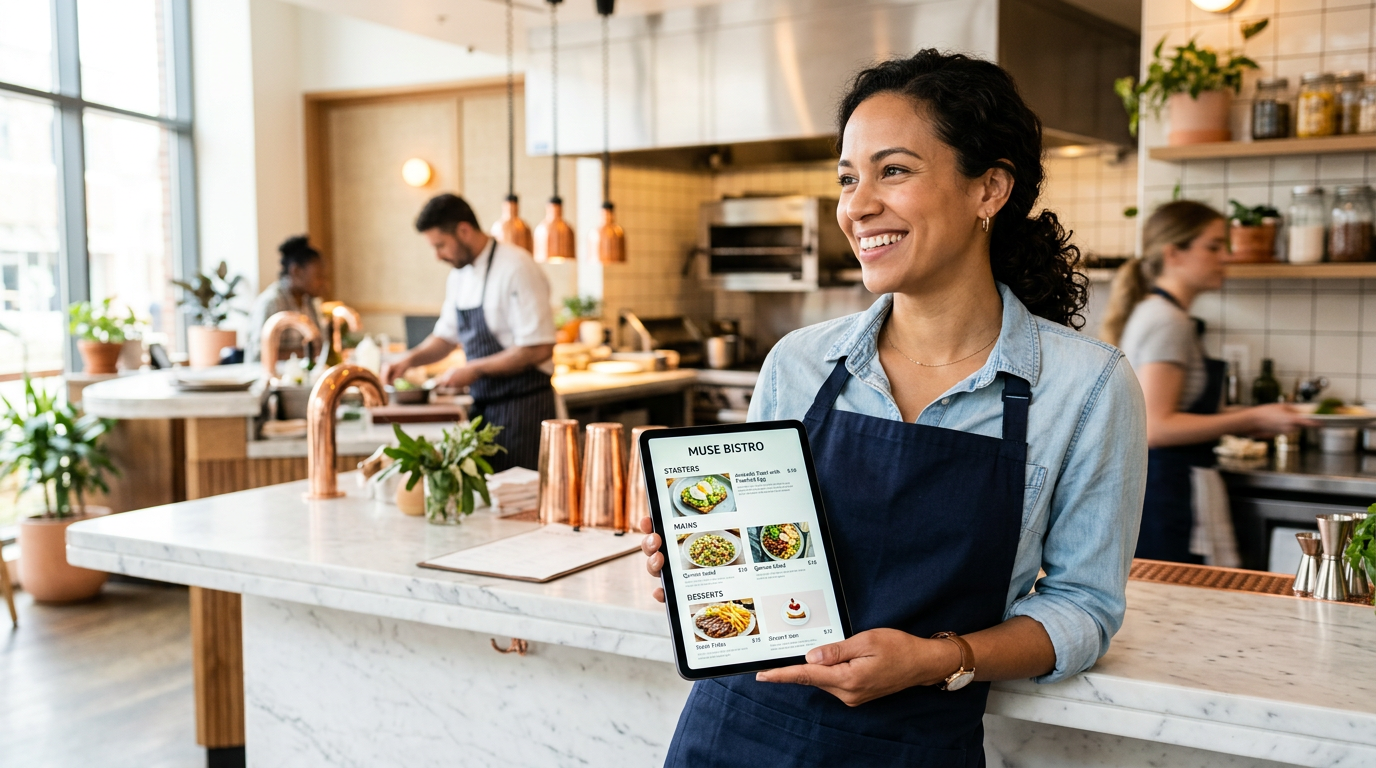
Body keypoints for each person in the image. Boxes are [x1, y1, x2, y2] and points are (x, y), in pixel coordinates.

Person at [638, 50, 1147, 766]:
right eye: (848, 177)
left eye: (894, 170)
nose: (857, 204)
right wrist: (696, 567)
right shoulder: (801, 362)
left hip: (912, 746)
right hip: (735, 730)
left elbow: (1083, 608)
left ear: (989, 190)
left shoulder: (1086, 386)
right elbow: (757, 574)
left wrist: (938, 659)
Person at [1099, 201, 1314, 564]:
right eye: (1213, 246)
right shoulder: (1167, 321)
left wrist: (1256, 416)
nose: (1226, 257)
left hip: (1167, 488)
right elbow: (1158, 426)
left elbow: (1172, 410)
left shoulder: (1163, 315)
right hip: (1167, 494)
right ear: (1174, 254)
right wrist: (1252, 420)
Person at [381, 194, 556, 472]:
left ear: (464, 230)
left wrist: (473, 369)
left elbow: (539, 347)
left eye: (440, 245)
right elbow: (446, 338)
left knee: (519, 507)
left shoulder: (517, 267)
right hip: (483, 411)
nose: (437, 255)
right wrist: (408, 360)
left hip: (524, 410)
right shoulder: (459, 275)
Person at [248, 235, 325, 363]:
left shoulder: (309, 302)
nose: (323, 282)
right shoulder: (271, 302)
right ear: (296, 271)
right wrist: (308, 353)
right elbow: (259, 355)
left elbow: (319, 344)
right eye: (318, 276)